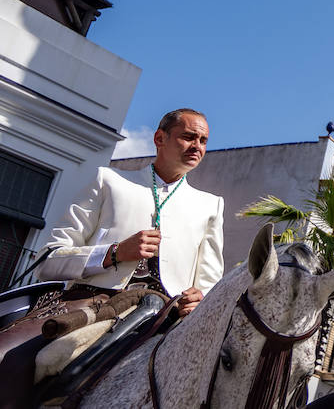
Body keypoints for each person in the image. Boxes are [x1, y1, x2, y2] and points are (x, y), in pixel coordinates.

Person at [0, 108, 223, 405]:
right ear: (160, 138)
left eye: (204, 140)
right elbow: (49, 259)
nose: (198, 146)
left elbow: (209, 284)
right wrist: (114, 254)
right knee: (6, 357)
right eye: (188, 137)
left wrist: (201, 299)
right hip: (90, 305)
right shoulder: (109, 181)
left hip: (163, 320)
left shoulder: (210, 205)